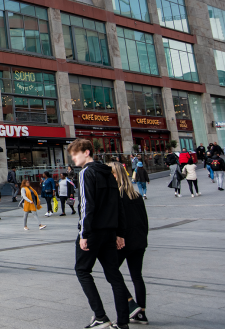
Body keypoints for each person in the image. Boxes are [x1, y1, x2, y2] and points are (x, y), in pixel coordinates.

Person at [67, 139, 129, 329]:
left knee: (82, 270)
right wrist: (119, 232)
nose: (73, 159)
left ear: (86, 152)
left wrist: (84, 233)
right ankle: (123, 323)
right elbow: (117, 204)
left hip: (93, 232)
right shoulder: (108, 173)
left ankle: (100, 317)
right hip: (110, 232)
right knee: (114, 275)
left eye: (75, 154)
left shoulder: (87, 172)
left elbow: (86, 206)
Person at [110, 162, 149, 325]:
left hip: (123, 241)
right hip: (139, 241)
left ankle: (131, 304)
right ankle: (142, 313)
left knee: (111, 271)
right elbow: (144, 220)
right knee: (137, 276)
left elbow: (118, 221)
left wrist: (118, 237)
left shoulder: (115, 196)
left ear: (116, 175)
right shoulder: (136, 195)